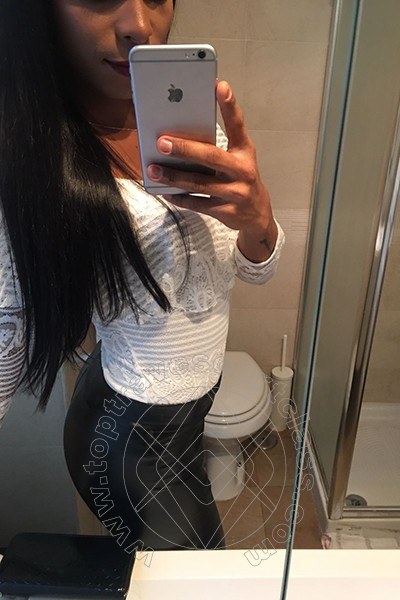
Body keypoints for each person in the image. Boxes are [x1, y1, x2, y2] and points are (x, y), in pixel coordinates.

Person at [0, 1, 285, 551]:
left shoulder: (183, 120)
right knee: (204, 577)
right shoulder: (32, 158)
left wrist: (259, 220)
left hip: (183, 418)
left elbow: (255, 271)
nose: (139, 23)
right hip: (127, 443)